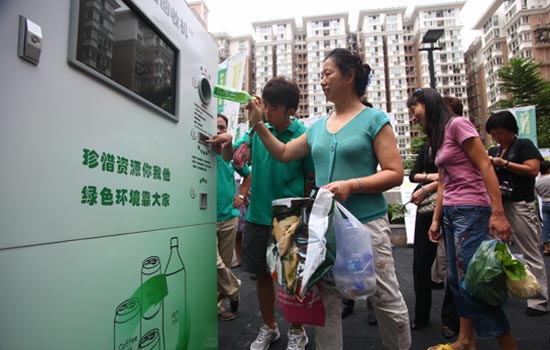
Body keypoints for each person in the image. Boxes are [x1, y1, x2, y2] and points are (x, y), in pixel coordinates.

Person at [247, 48, 411, 350]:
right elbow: (283, 153)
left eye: (327, 73)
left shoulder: (374, 119)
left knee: (385, 299)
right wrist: (258, 123)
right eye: (320, 75)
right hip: (325, 232)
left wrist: (353, 185)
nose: (321, 81)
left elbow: (394, 173)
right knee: (327, 306)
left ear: (349, 76)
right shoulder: (318, 128)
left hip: (367, 227)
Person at [209, 77, 315, 350]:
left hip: (290, 216)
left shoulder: (303, 135)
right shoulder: (257, 131)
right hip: (258, 215)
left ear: (290, 110)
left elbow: (310, 178)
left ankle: (296, 330)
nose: (266, 112)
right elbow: (236, 160)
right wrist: (229, 141)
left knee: (291, 280)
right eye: (265, 106)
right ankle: (269, 326)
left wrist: (306, 218)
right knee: (263, 277)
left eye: (273, 107)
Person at [408, 87, 517, 350]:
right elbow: (444, 181)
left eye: (414, 110)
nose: (412, 117)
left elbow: (485, 165)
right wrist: (436, 219)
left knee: (476, 282)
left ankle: (508, 344)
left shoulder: (458, 125)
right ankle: (466, 341)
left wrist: (498, 213)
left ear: (428, 103)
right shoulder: (439, 135)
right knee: (457, 282)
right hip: (452, 212)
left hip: (472, 210)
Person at [486, 111, 550, 316]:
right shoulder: (495, 150)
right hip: (500, 205)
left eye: (500, 133)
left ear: (512, 131)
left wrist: (504, 164)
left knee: (530, 250)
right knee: (499, 252)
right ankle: (506, 290)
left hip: (521, 203)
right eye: (493, 134)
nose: (497, 138)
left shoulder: (523, 145)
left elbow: (533, 170)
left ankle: (539, 300)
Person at [408, 139, 458, 339]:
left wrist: (429, 186)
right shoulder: (428, 144)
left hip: (455, 207)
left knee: (454, 268)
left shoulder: (459, 140)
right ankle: (421, 315)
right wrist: (436, 178)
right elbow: (413, 175)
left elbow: (457, 175)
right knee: (420, 263)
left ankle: (451, 320)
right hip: (428, 209)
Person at [340, 96, 377, 327]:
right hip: (342, 210)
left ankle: (373, 305)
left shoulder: (374, 125)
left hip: (367, 210)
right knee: (347, 261)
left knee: (369, 262)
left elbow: (391, 172)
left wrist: (353, 185)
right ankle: (348, 301)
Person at [214, 114, 252, 321]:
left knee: (224, 265)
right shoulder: (200, 149)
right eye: (215, 127)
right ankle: (234, 288)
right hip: (204, 219)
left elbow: (248, 174)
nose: (219, 131)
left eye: (222, 127)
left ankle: (217, 305)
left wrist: (241, 194)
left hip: (229, 217)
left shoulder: (230, 155)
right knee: (215, 263)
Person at [536, 160, 550, 255]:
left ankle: (546, 247)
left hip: (545, 203)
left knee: (546, 225)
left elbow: (539, 194)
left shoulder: (538, 181)